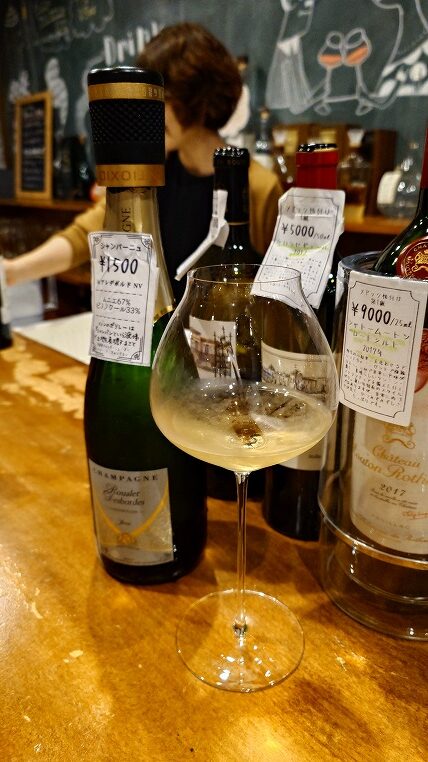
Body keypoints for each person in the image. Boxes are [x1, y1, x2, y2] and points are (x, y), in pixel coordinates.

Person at [4, 22, 283, 301]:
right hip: (160, 328)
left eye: (162, 97)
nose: (149, 112)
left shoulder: (259, 188)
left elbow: (279, 290)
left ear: (199, 100)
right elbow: (86, 233)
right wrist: (12, 271)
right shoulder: (152, 173)